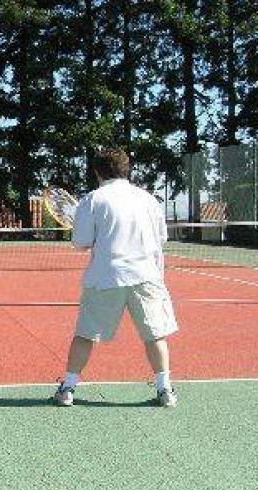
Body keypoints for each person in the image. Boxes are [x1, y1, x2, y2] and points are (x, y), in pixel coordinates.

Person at [54, 148, 178, 408]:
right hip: (146, 277)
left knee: (85, 335)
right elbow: (162, 238)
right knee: (155, 336)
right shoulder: (149, 200)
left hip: (105, 278)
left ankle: (67, 389)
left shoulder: (93, 199)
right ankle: (165, 390)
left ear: (98, 172)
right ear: (126, 169)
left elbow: (81, 243)